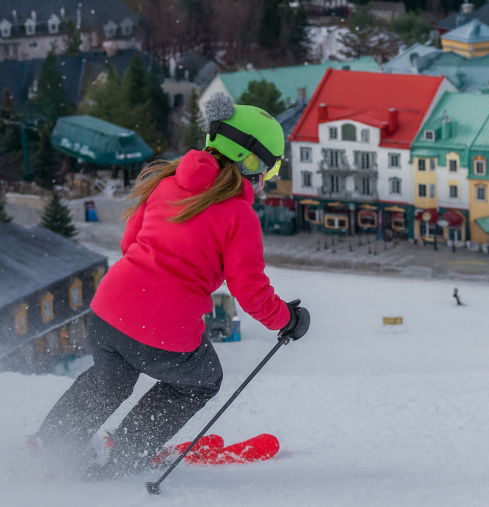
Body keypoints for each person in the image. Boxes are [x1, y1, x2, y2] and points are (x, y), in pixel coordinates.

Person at [32, 93, 310, 479]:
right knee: (201, 381)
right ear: (249, 162)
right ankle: (125, 455)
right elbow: (250, 291)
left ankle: (50, 447)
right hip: (162, 332)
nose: (268, 177)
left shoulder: (165, 182)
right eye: (271, 167)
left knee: (110, 381)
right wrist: (288, 320)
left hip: (106, 312)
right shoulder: (239, 215)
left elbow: (129, 244)